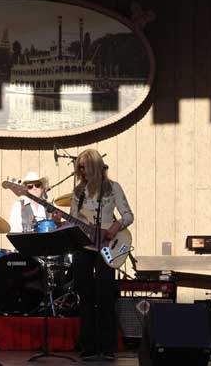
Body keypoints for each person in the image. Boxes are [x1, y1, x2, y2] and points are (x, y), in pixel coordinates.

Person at [69, 149, 133, 361]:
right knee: (85, 294)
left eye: (83, 166)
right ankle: (88, 346)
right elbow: (73, 220)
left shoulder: (112, 188)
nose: (80, 170)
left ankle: (107, 346)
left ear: (94, 166)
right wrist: (62, 222)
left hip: (107, 245)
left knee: (105, 294)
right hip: (84, 247)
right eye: (79, 167)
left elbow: (128, 215)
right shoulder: (78, 192)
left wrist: (114, 229)